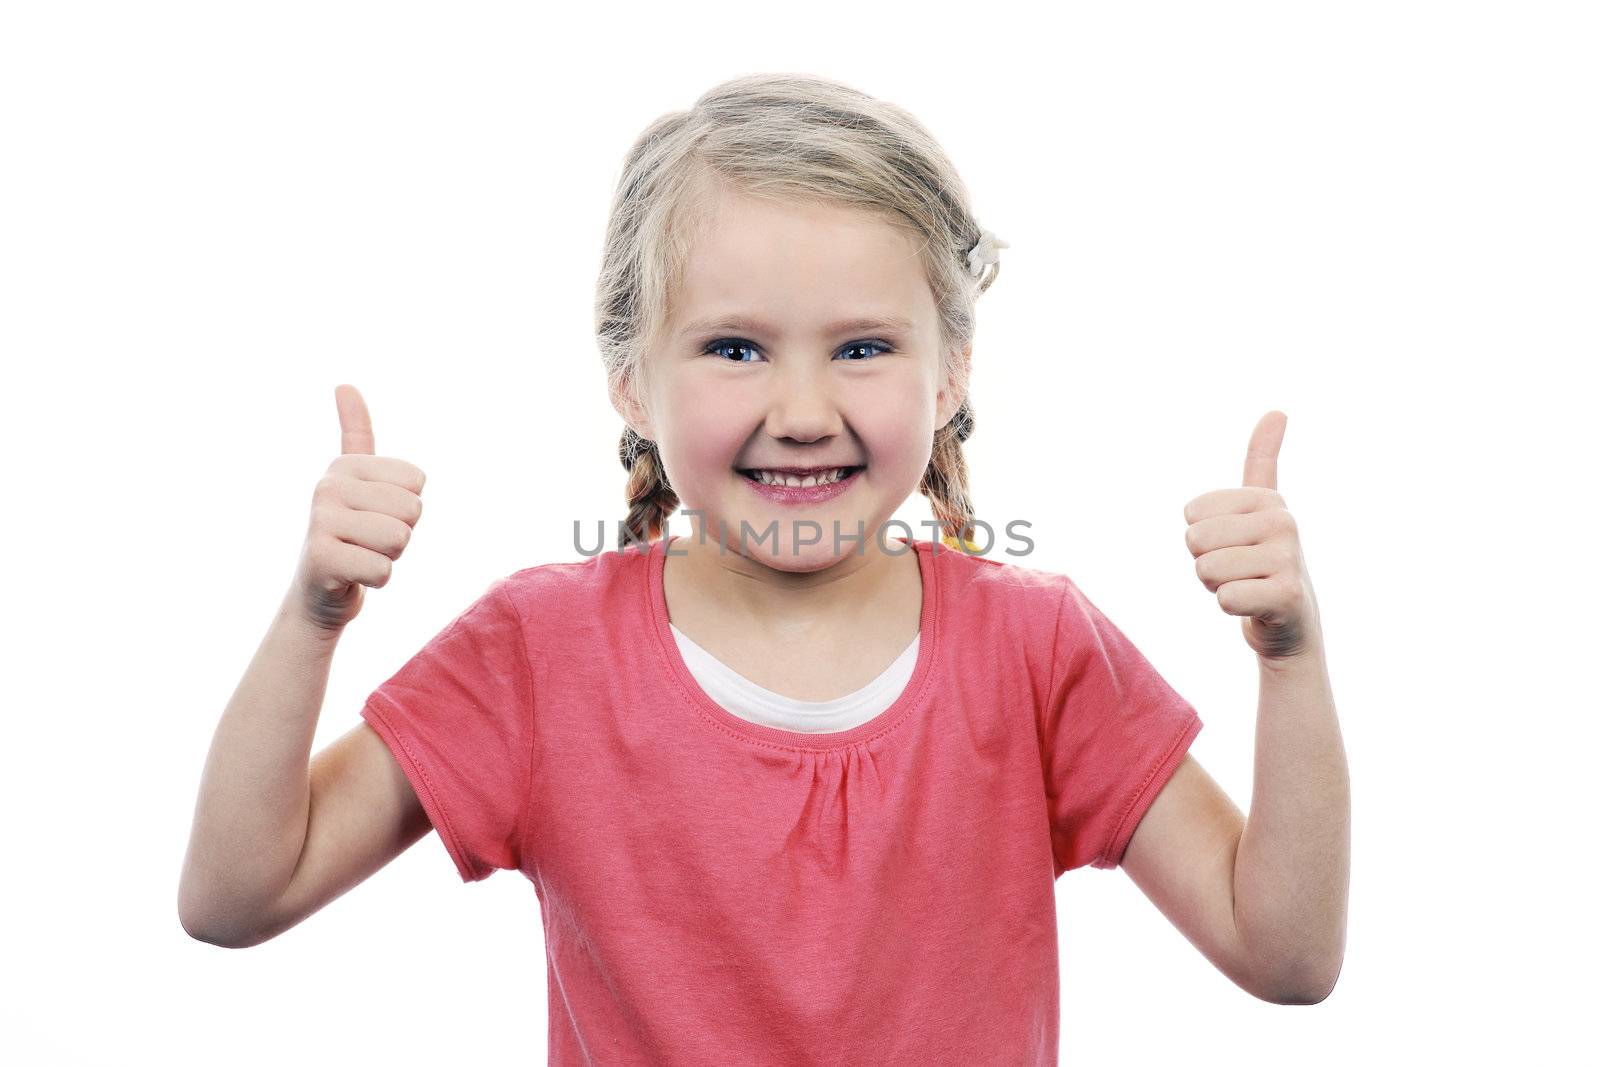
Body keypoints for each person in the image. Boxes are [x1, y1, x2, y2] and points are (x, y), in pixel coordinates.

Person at [179, 72, 1349, 1063]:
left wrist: (1290, 656)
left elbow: (1283, 952)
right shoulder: (543, 650)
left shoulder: (1035, 646)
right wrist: (310, 616)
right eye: (735, 347)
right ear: (633, 378)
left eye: (862, 347)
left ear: (949, 375)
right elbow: (236, 896)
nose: (800, 410)